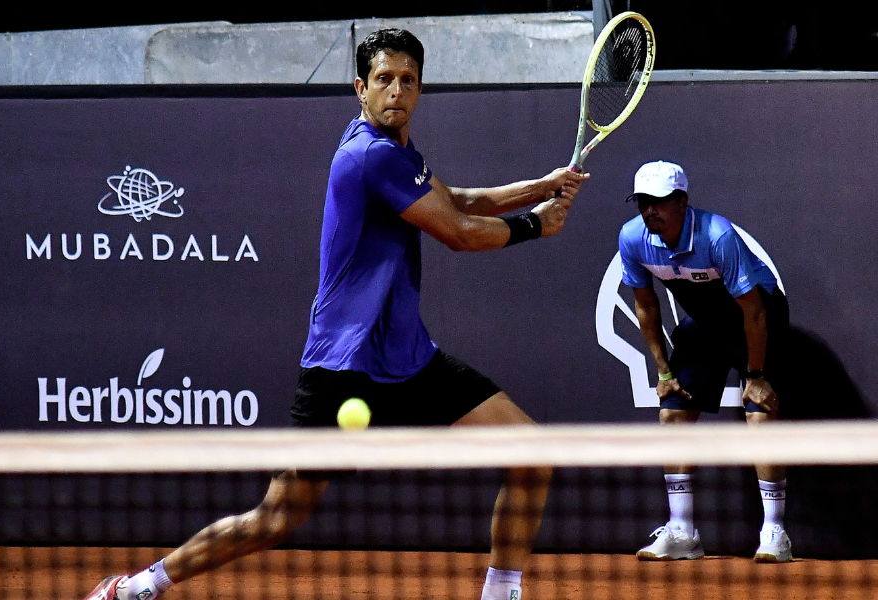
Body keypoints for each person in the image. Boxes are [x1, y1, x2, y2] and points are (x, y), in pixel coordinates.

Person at [83, 28, 587, 600]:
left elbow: (457, 201)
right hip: (342, 367)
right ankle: (138, 588)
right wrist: (536, 224)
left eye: (408, 80)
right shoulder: (369, 155)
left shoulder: (396, 152)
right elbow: (459, 233)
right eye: (384, 80)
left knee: (532, 452)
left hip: (406, 360)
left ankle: (501, 593)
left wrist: (537, 188)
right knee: (276, 519)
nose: (397, 90)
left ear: (420, 88)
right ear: (361, 88)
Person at [618, 160, 791, 563]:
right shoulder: (632, 238)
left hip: (756, 315)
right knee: (673, 412)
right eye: (643, 202)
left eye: (659, 202)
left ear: (682, 201)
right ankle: (682, 531)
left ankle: (774, 532)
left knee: (759, 413)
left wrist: (757, 375)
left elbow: (754, 312)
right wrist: (663, 370)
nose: (649, 211)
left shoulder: (717, 236)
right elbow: (645, 306)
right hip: (705, 323)